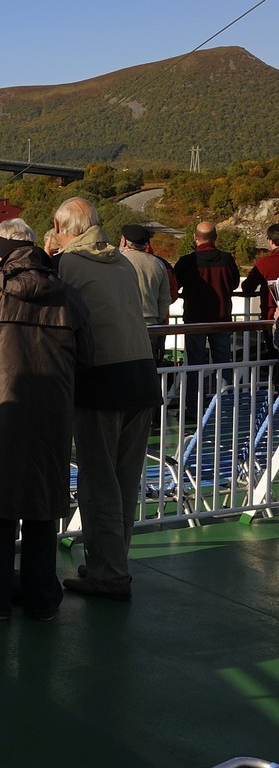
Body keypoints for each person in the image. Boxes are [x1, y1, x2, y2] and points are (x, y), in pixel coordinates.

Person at [0, 217, 92, 620]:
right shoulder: (67, 292)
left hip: (3, 407)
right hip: (52, 408)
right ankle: (42, 600)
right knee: (42, 503)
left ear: (2, 253)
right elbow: (88, 351)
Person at [53, 197, 163, 602]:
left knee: (98, 482)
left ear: (64, 227)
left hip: (101, 378)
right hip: (142, 377)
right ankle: (111, 561)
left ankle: (109, 575)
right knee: (125, 480)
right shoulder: (121, 261)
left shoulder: (68, 264)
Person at [172, 222, 241, 413]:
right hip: (222, 320)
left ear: (195, 237)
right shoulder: (227, 260)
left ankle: (194, 408)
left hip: (195, 322)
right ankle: (226, 407)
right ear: (215, 237)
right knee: (223, 363)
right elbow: (234, 284)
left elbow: (174, 285)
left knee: (194, 365)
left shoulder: (187, 262)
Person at [120, 223, 173, 366]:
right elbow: (165, 299)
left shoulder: (117, 262)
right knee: (148, 369)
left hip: (122, 325)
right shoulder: (158, 264)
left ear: (124, 241)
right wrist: (157, 318)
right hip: (150, 326)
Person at [239, 222, 279, 359]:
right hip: (272, 316)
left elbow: (247, 287)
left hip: (271, 317)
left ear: (271, 241)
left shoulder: (265, 263)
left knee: (274, 356)